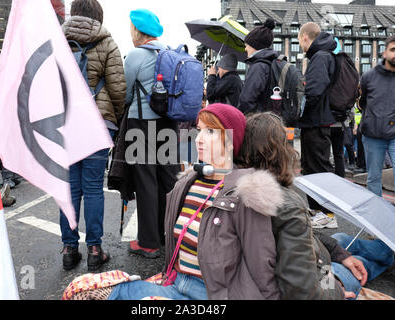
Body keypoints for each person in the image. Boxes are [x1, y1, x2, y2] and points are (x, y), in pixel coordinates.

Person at [104, 103, 283, 299]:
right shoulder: (188, 183)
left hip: (211, 295)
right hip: (175, 283)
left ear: (231, 141)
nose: (199, 139)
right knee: (87, 289)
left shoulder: (247, 193)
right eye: (199, 130)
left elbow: (261, 268)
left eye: (211, 132)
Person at [237, 112, 345, 299]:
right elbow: (302, 289)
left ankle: (352, 252)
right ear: (280, 150)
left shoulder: (235, 184)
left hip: (311, 259)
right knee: (363, 263)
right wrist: (336, 291)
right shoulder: (288, 204)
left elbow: (301, 233)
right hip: (318, 275)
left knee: (341, 239)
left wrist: (336, 250)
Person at [60, 0, 126, 271]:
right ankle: (95, 250)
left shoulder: (57, 41)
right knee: (93, 188)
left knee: (69, 189)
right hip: (98, 124)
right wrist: (115, 116)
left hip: (64, 125)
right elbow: (118, 90)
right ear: (98, 15)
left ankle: (69, 249)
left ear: (74, 13)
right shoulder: (107, 42)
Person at [123, 8, 180, 258]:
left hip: (141, 124)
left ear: (137, 30)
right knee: (169, 180)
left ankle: (149, 242)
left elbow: (124, 93)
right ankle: (172, 235)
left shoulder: (135, 55)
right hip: (170, 124)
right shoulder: (171, 53)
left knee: (146, 180)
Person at [359, 34, 395, 213]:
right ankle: (376, 221)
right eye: (393, 49)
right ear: (385, 53)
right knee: (373, 178)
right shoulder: (369, 76)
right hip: (372, 136)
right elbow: (363, 102)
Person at [297, 22, 336, 212]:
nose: (300, 45)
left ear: (305, 37)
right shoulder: (323, 55)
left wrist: (300, 111)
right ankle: (318, 210)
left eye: (299, 40)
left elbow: (313, 90)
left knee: (318, 168)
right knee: (313, 168)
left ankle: (327, 213)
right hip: (317, 120)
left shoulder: (320, 56)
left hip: (316, 121)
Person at [238, 18, 278, 114]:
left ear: (254, 45)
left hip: (256, 122)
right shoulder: (272, 62)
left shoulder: (258, 66)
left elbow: (246, 100)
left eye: (247, 45)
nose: (245, 48)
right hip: (269, 119)